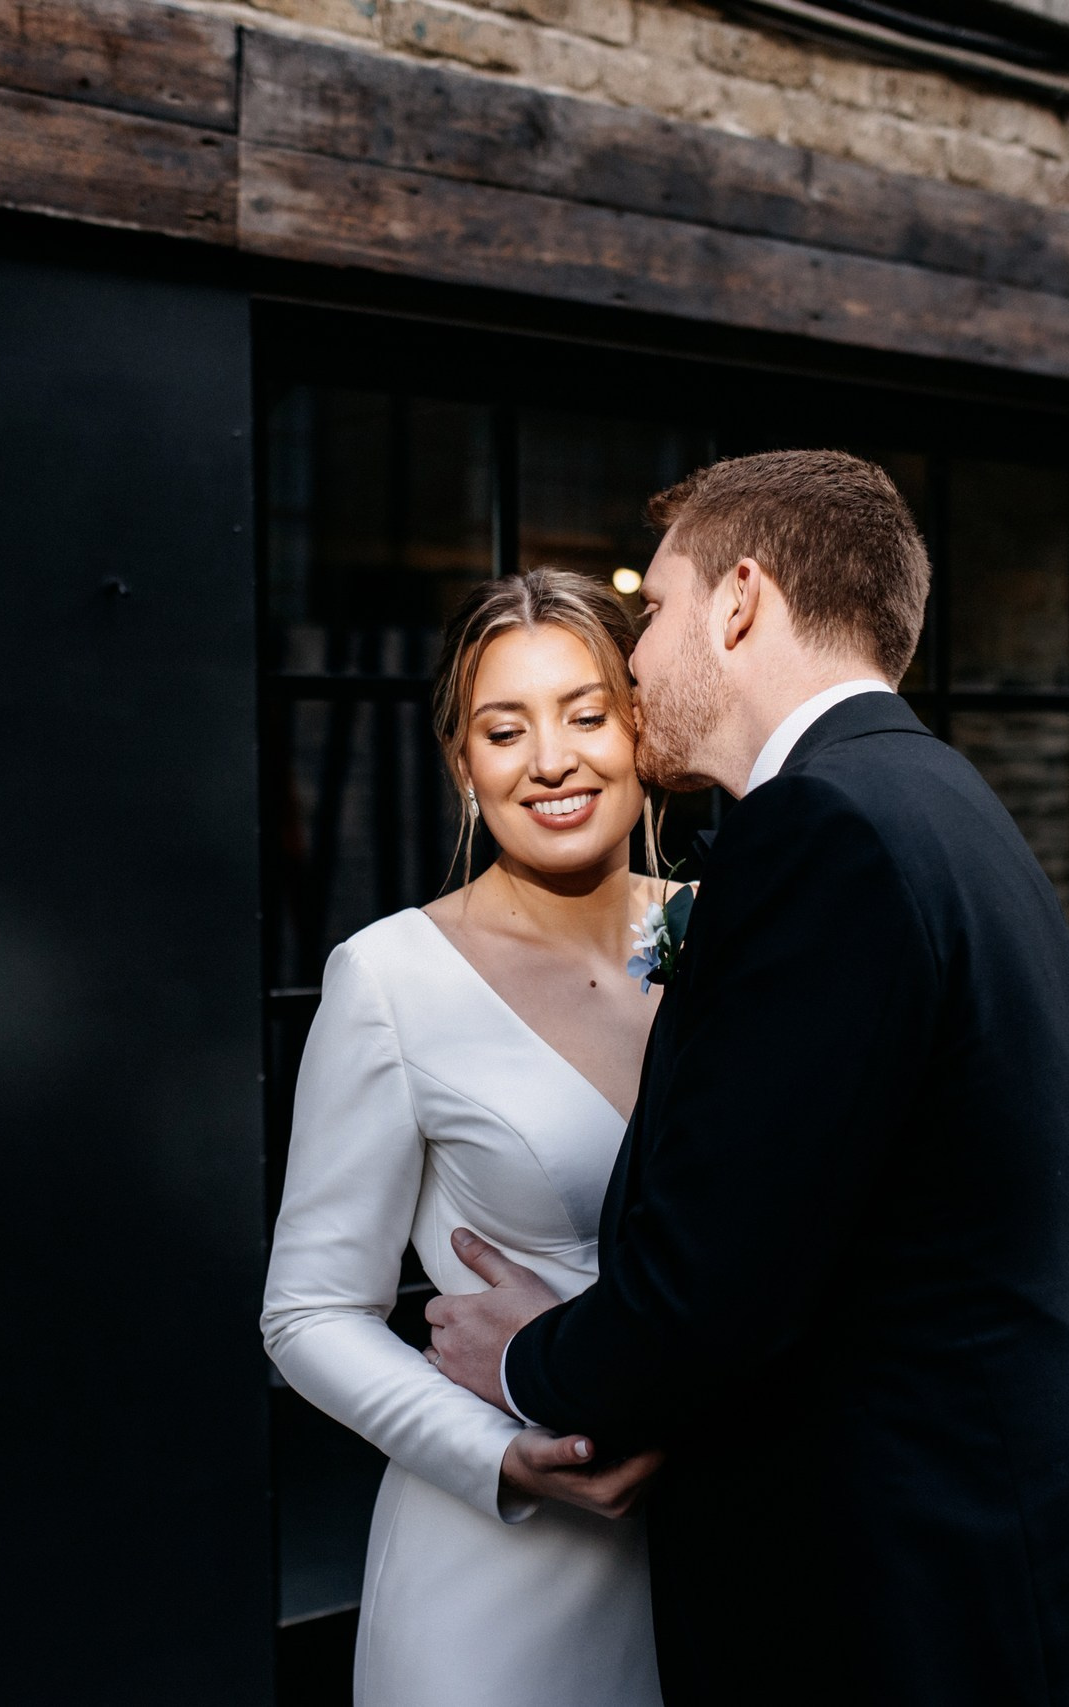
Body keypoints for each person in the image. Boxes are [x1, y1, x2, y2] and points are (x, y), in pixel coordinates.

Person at [428, 451, 1069, 1705]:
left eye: (656, 610)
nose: (634, 663)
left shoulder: (821, 833)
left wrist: (530, 1357)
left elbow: (722, 1280)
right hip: (1021, 1544)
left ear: (739, 601)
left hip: (925, 1591)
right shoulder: (945, 799)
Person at [260, 569, 674, 1707]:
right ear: (462, 762)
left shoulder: (722, 929)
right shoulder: (389, 977)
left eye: (587, 714)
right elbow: (306, 1314)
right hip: (498, 1584)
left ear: (641, 728)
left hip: (716, 1551)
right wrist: (497, 1454)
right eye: (505, 728)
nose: (552, 759)